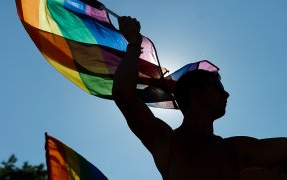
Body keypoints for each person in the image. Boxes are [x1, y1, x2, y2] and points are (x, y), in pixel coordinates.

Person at [112, 16, 287, 180]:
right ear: (196, 92)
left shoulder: (234, 149)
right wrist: (134, 43)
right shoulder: (168, 142)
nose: (226, 94)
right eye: (218, 88)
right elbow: (123, 94)